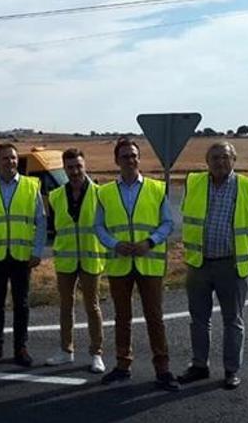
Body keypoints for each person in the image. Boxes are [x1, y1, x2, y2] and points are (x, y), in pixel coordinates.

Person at [178, 141, 248, 390]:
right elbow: (188, 215)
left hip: (231, 265)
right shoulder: (194, 183)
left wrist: (241, 240)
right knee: (199, 319)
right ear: (207, 161)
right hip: (199, 263)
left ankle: (231, 370)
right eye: (215, 157)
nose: (220, 162)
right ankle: (199, 365)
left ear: (234, 160)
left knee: (233, 321)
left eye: (225, 157)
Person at [95, 137, 179, 391]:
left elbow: (167, 223)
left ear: (139, 158)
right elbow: (99, 226)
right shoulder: (105, 192)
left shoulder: (156, 188)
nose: (130, 160)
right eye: (124, 156)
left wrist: (150, 242)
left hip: (148, 263)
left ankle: (163, 370)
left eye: (133, 155)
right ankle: (123, 365)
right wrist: (113, 244)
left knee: (155, 317)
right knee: (122, 317)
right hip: (120, 263)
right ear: (116, 161)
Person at [0, 143, 47, 367]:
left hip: (21, 256)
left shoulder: (30, 186)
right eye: (6, 158)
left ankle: (21, 348)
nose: (11, 162)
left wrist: (37, 251)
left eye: (14, 158)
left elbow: (41, 220)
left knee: (21, 304)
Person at [45, 149, 107, 373]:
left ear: (85, 166)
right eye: (70, 167)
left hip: (91, 258)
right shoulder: (56, 196)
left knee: (92, 306)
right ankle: (66, 350)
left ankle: (96, 353)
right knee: (65, 306)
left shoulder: (100, 194)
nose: (74, 171)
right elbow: (53, 228)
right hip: (66, 259)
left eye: (78, 166)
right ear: (64, 168)